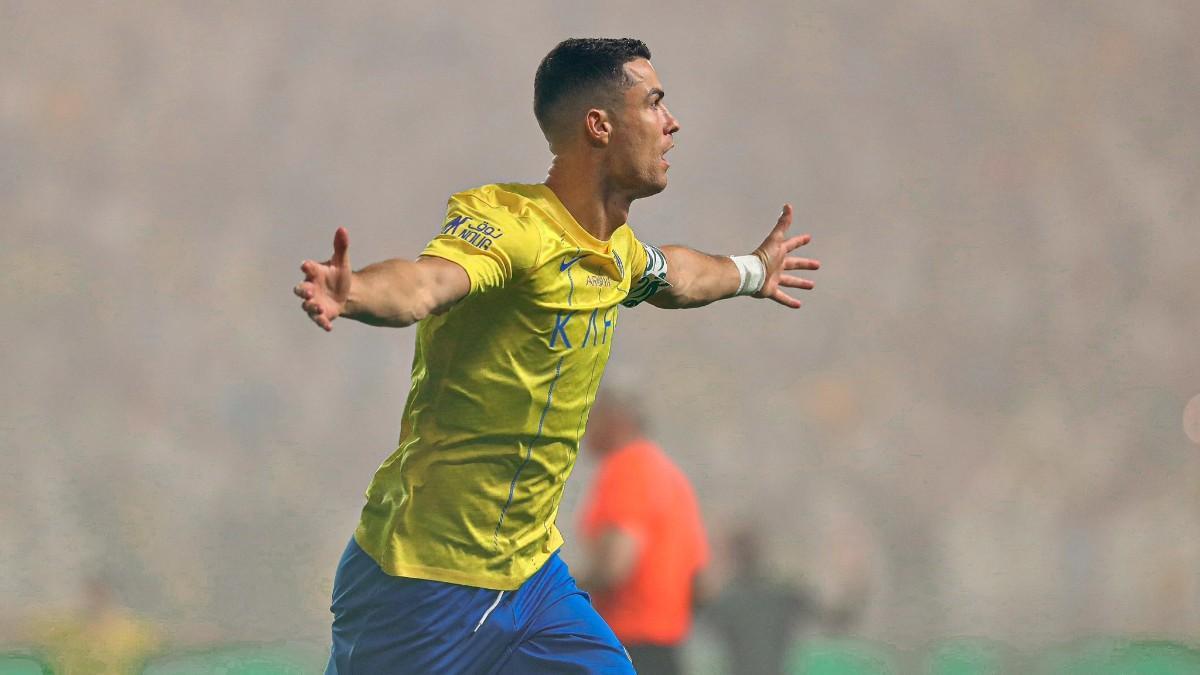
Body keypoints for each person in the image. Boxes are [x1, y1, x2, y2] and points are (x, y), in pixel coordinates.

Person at [293, 37, 820, 674]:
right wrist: (354, 292)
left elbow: (679, 278)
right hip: (422, 580)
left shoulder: (617, 253)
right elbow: (427, 282)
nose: (672, 122)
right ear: (599, 125)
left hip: (532, 579)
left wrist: (752, 270)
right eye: (653, 103)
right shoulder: (512, 224)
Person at [576, 393, 710, 675]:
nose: (582, 431)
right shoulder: (671, 475)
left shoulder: (626, 468)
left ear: (615, 422)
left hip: (628, 643)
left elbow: (616, 566)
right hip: (668, 648)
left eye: (589, 419)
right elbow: (699, 583)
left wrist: (558, 592)